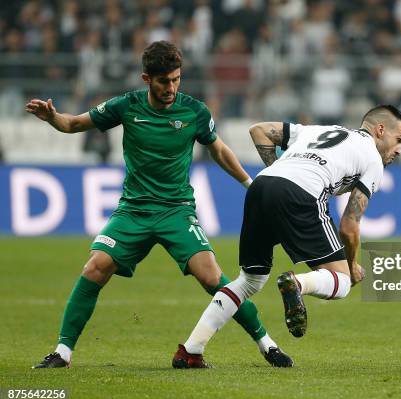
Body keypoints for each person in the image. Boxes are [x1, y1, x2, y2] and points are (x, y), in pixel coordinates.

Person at [26, 41, 292, 369]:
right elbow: (73, 124)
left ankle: (267, 344)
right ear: (146, 79)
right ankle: (62, 353)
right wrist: (53, 117)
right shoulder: (126, 106)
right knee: (95, 267)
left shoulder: (194, 111)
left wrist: (251, 186)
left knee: (212, 278)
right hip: (133, 211)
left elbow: (219, 150)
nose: (171, 88)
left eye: (176, 80)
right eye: (164, 81)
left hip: (176, 211)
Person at [174, 105, 401, 366]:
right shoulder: (373, 160)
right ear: (380, 130)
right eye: (399, 140)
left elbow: (259, 131)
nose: (399, 149)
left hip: (261, 186)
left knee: (249, 280)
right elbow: (349, 226)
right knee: (341, 282)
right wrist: (352, 266)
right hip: (301, 194)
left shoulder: (319, 131)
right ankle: (297, 284)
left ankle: (191, 350)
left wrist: (280, 172)